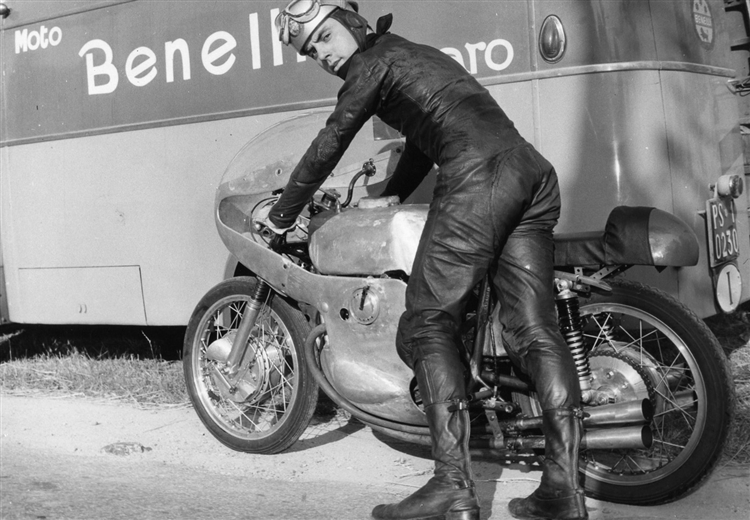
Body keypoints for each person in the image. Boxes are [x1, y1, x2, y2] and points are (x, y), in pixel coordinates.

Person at [261, 2, 589, 519]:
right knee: (533, 330)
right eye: (311, 51)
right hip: (528, 172)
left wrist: (282, 215)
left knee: (425, 325)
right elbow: (425, 134)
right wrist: (394, 192)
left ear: (351, 23)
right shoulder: (410, 54)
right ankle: (562, 490)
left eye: (324, 37)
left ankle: (451, 486)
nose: (322, 54)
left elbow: (331, 141)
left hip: (479, 177)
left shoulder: (369, 65)